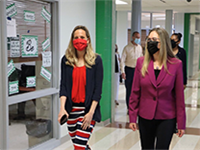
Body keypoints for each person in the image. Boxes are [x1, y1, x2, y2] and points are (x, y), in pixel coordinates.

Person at [129, 28, 186, 150]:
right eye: (149, 40)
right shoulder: (141, 62)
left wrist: (181, 123)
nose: (151, 42)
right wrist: (132, 116)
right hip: (145, 116)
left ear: (164, 43)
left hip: (166, 117)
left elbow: (179, 96)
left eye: (154, 40)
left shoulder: (176, 64)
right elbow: (135, 91)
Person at [58, 25, 103, 150]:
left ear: (88, 39)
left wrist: (91, 113)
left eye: (82, 37)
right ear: (72, 40)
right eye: (76, 37)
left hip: (87, 111)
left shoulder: (96, 61)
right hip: (71, 111)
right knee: (81, 146)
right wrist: (62, 108)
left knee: (78, 147)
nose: (79, 40)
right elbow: (64, 87)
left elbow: (97, 90)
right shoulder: (66, 61)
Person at [120, 31, 143, 113]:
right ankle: (129, 108)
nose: (138, 39)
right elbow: (122, 60)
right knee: (129, 90)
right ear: (132, 37)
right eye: (137, 37)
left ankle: (136, 107)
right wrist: (123, 72)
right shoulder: (127, 48)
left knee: (137, 90)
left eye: (139, 37)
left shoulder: (140, 48)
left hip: (137, 70)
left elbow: (142, 59)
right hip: (129, 70)